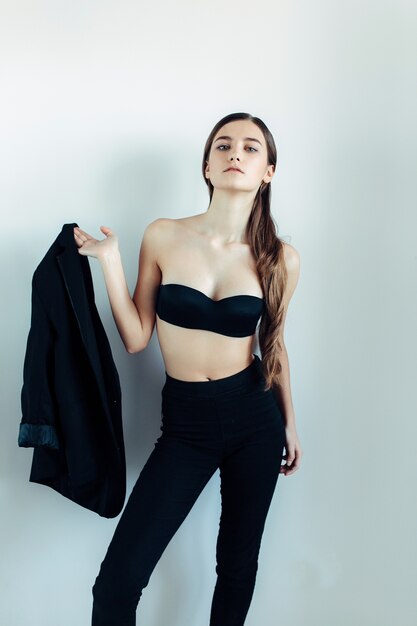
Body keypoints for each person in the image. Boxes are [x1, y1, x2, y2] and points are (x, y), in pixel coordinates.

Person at [73, 111, 303, 626]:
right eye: (222, 146)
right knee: (117, 583)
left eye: (250, 148)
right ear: (206, 165)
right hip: (186, 424)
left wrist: (290, 424)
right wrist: (110, 260)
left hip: (254, 419)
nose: (235, 154)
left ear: (268, 170)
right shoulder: (164, 236)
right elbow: (136, 338)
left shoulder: (280, 258)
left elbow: (276, 344)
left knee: (236, 567)